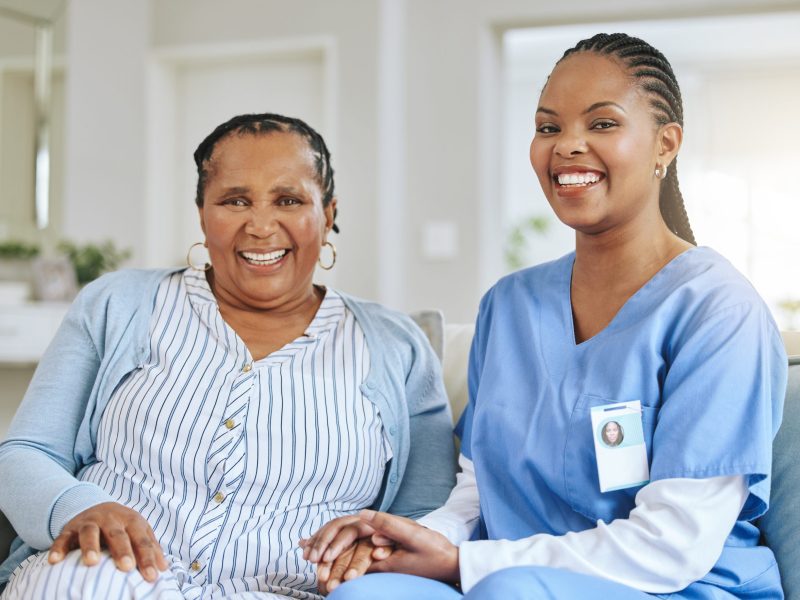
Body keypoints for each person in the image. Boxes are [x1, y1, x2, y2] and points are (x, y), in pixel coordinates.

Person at [302, 33, 788, 599]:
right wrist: (413, 541)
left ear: (665, 144)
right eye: (549, 127)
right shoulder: (509, 305)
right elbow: (481, 492)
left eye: (602, 124)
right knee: (366, 594)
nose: (567, 147)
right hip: (501, 573)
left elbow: (672, 547)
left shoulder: (717, 310)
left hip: (674, 587)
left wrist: (469, 564)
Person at [0, 113, 456, 599]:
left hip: (291, 591)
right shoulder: (119, 304)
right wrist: (78, 507)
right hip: (104, 578)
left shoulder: (397, 346)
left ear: (327, 214)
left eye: (289, 200)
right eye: (235, 200)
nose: (260, 225)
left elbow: (424, 514)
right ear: (202, 213)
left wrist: (374, 549)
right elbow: (28, 453)